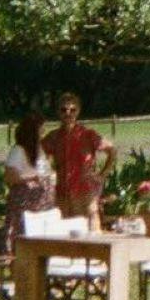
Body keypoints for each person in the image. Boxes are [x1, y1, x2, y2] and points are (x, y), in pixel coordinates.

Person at [41, 93, 114, 230]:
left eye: (72, 110)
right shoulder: (53, 137)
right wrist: (48, 173)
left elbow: (111, 150)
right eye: (64, 110)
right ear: (58, 112)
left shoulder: (88, 135)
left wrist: (102, 174)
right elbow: (38, 156)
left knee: (91, 230)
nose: (68, 113)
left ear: (78, 111)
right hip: (62, 193)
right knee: (64, 233)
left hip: (85, 192)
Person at [2, 111, 55, 246]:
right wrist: (33, 177)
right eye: (41, 127)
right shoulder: (18, 150)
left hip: (42, 201)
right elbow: (9, 177)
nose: (44, 130)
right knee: (25, 236)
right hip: (26, 202)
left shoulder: (38, 148)